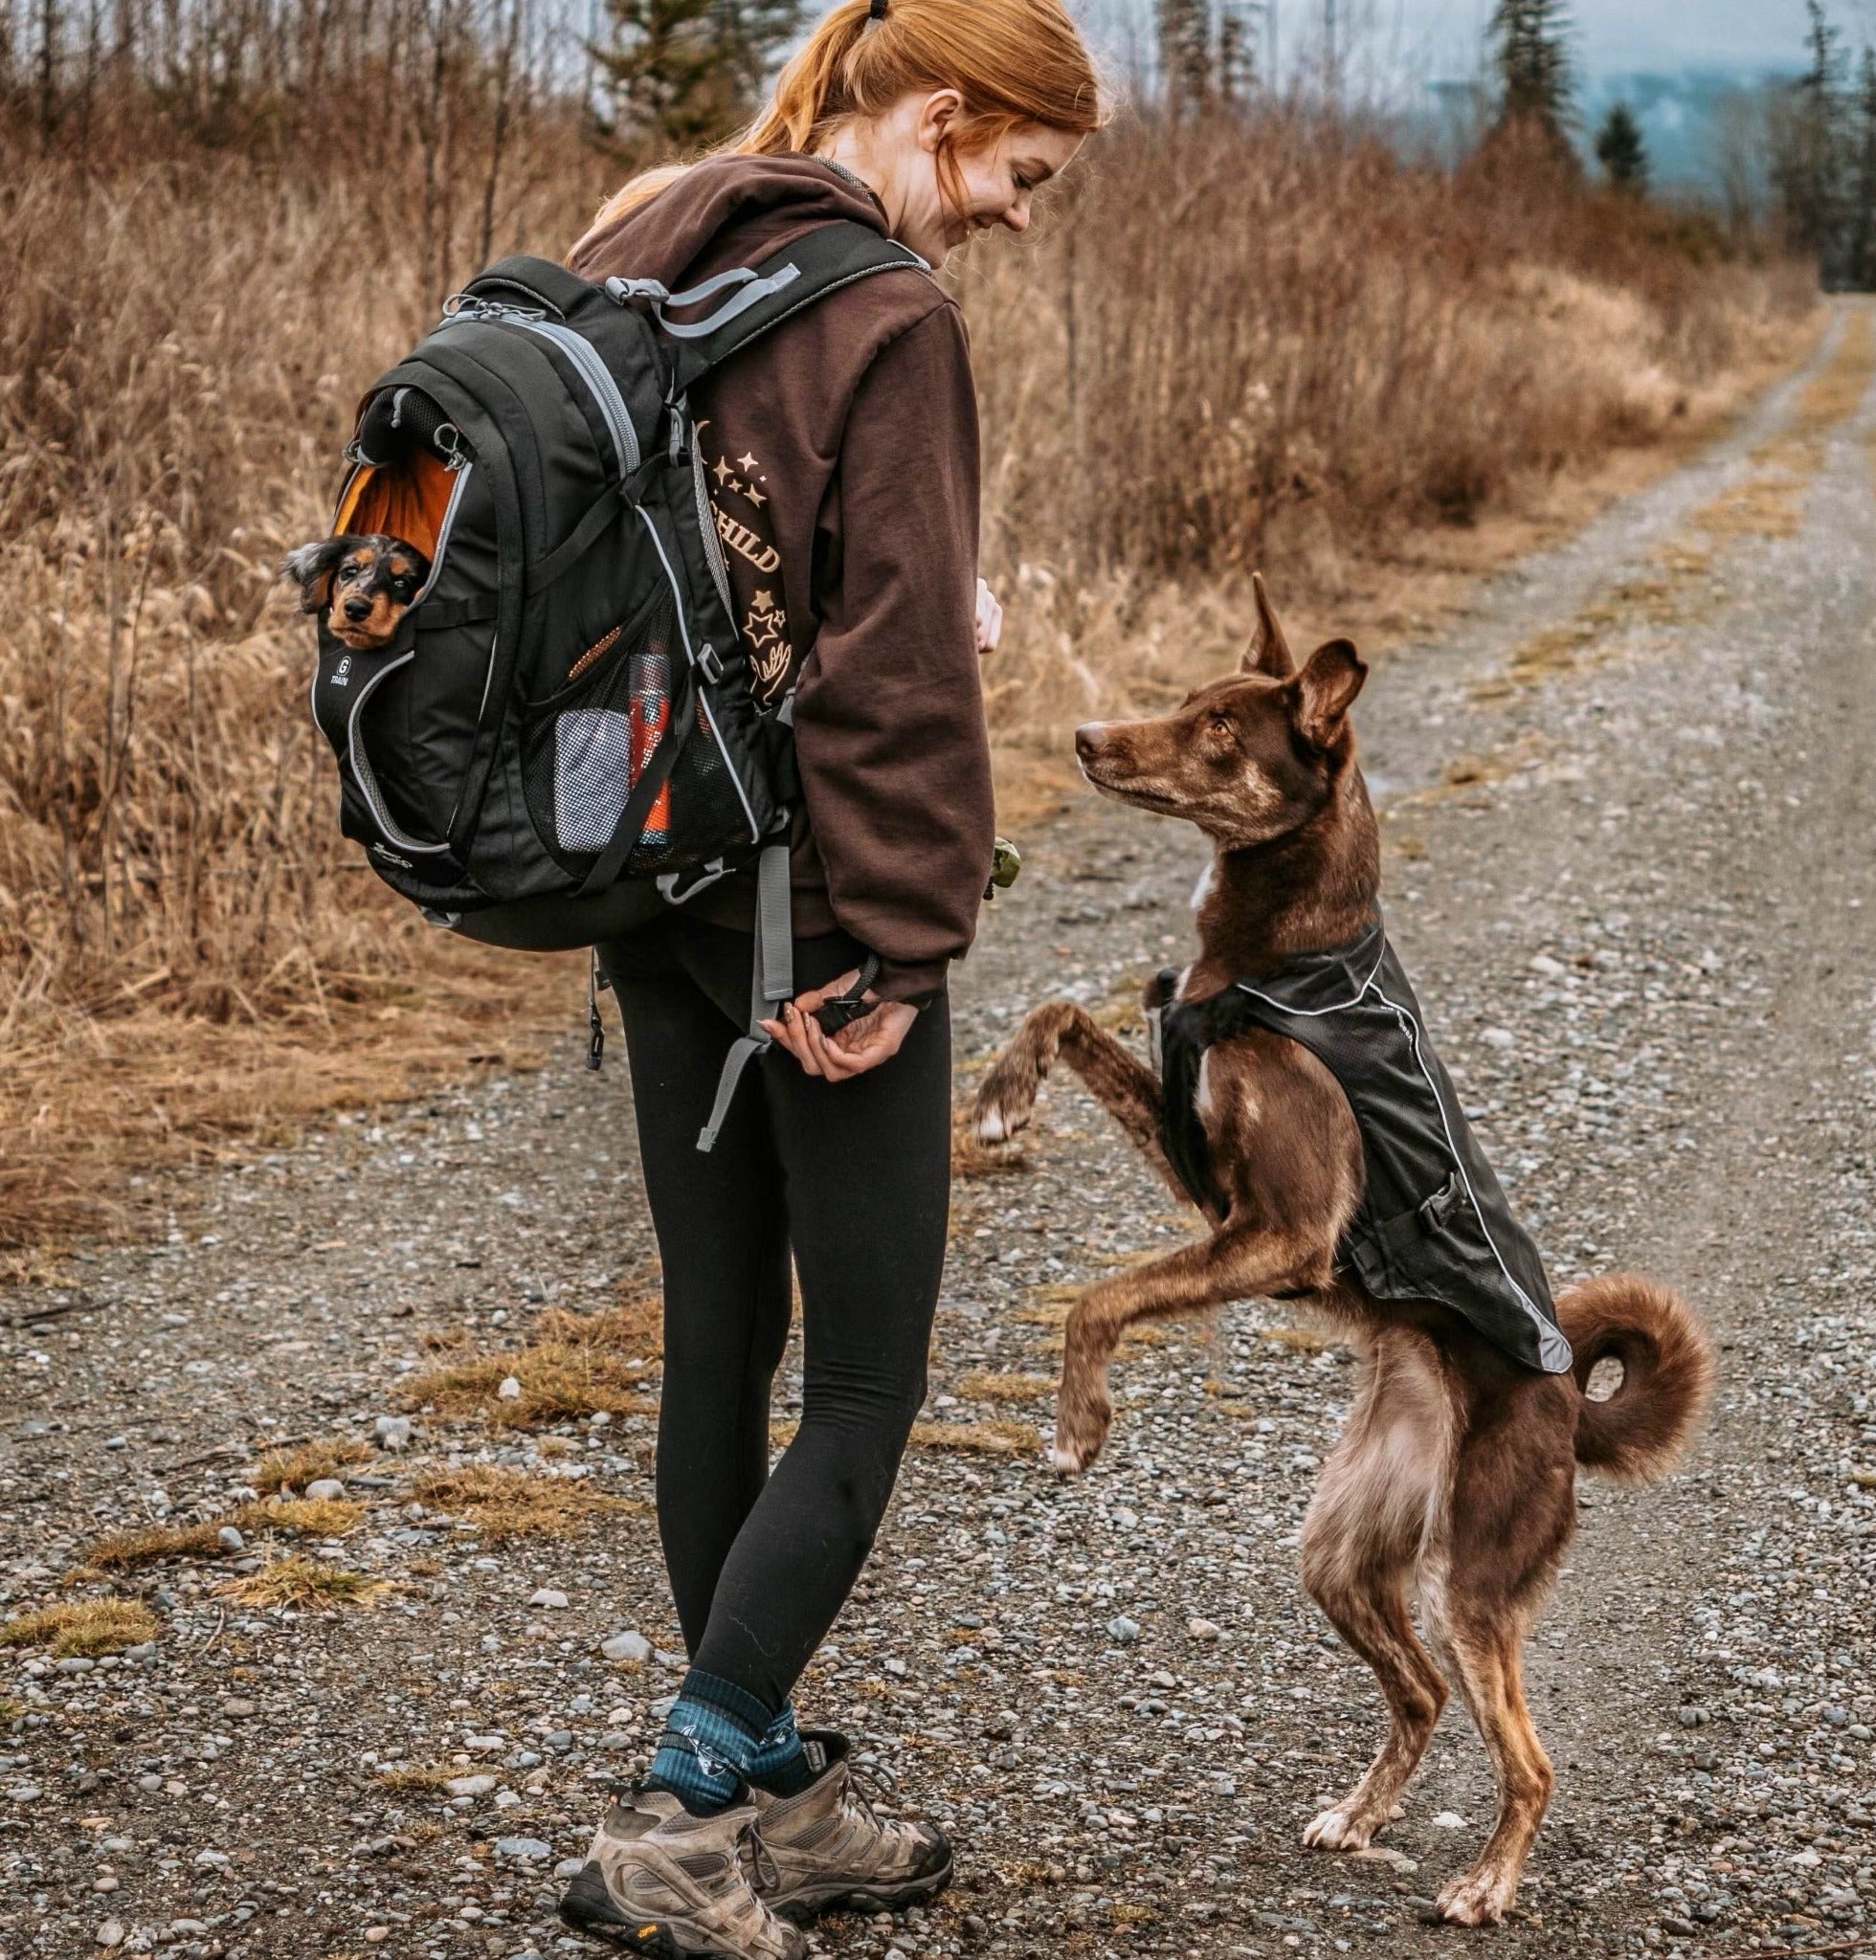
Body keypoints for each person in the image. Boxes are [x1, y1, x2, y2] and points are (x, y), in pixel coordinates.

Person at [555, 5, 1103, 1955]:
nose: (1020, 223)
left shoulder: (649, 224)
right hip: (813, 904)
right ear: (945, 120)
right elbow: (889, 681)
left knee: (722, 1326)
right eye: (1019, 179)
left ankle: (771, 1779)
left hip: (646, 866)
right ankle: (683, 1806)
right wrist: (901, 941)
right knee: (870, 1368)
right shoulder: (886, 313)